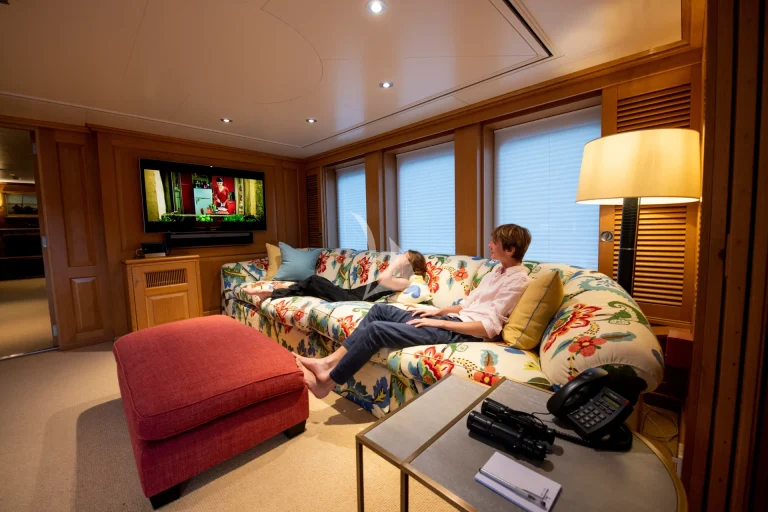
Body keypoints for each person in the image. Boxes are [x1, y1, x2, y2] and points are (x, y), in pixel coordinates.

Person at [295, 224, 532, 398]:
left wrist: (442, 323)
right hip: (454, 319)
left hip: (465, 331)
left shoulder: (518, 280)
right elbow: (466, 305)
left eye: (494, 242)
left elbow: (489, 327)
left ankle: (328, 383)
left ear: (510, 249)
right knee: (379, 311)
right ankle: (328, 363)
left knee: (377, 330)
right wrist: (437, 313)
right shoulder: (496, 271)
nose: (490, 245)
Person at [245, 250, 427, 304]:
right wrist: (400, 261)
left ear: (410, 263)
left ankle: (271, 293)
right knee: (314, 283)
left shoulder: (406, 282)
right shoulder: (400, 278)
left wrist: (396, 262)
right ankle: (277, 291)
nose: (401, 257)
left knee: (314, 280)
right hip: (349, 293)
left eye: (405, 257)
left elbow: (381, 279)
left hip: (353, 299)